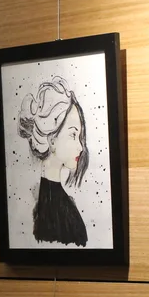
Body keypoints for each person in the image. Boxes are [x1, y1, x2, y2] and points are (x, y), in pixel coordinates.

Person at [17, 77, 88, 246]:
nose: (80, 147)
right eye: (73, 134)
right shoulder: (59, 212)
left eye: (79, 137)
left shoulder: (46, 205)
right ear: (52, 140)